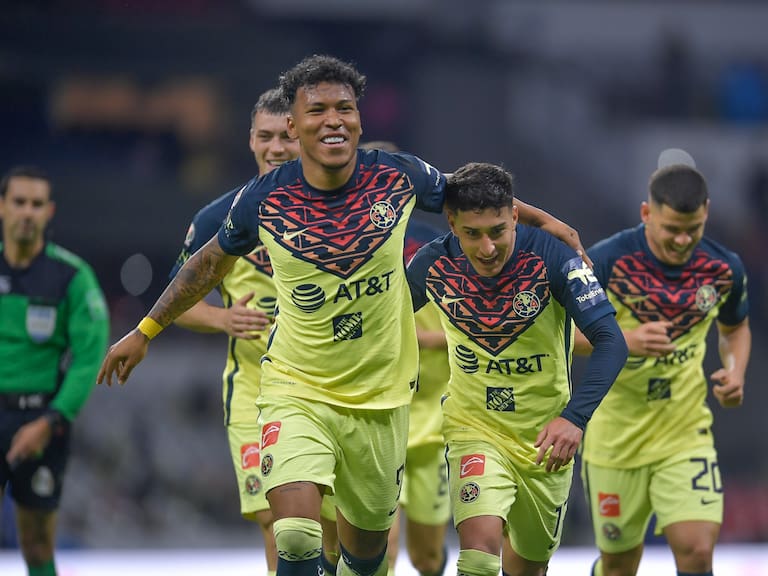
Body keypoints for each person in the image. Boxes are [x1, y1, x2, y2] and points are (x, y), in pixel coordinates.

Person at [98, 54, 590, 576]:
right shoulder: (261, 200)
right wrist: (145, 329)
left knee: (367, 553)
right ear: (293, 124)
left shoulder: (400, 178)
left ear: (359, 118)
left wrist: (548, 224)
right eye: (317, 110)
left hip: (380, 401)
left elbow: (473, 199)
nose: (334, 119)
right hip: (297, 386)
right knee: (292, 531)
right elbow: (206, 265)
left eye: (345, 108)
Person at [406, 162, 628, 576]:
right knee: (479, 556)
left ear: (514, 216)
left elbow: (611, 341)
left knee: (527, 569)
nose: (486, 248)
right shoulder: (432, 264)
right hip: (475, 428)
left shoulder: (554, 257)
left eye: (496, 231)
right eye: (472, 234)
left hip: (545, 441)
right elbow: (383, 325)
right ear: (452, 222)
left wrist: (573, 419)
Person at [168, 88, 339, 576]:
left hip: (329, 388)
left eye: (285, 137)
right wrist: (222, 318)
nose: (276, 148)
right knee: (276, 520)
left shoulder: (339, 212)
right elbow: (174, 304)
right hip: (254, 392)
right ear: (250, 141)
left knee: (333, 529)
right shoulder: (218, 217)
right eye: (265, 137)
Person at [576, 150, 751, 576]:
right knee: (619, 563)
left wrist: (735, 371)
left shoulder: (723, 269)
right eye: (671, 228)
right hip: (616, 439)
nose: (681, 240)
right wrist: (625, 340)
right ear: (645, 213)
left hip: (683, 433)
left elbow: (734, 330)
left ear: (706, 213)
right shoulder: (606, 261)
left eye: (693, 229)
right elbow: (562, 335)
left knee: (696, 551)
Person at [0, 166, 109, 576]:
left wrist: (51, 420)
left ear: (49, 211)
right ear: (2, 207)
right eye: (19, 202)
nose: (27, 212)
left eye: (36, 204)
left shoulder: (71, 278)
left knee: (37, 542)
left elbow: (88, 356)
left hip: (42, 419)